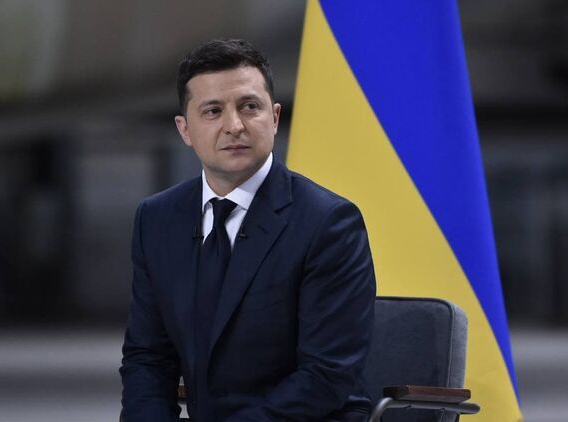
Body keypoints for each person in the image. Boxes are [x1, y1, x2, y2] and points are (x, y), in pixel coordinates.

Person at [120, 38, 376, 422]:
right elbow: (148, 358)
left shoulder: (329, 223)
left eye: (249, 107)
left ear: (274, 117)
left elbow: (325, 376)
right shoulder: (157, 220)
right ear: (185, 129)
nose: (234, 126)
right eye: (213, 111)